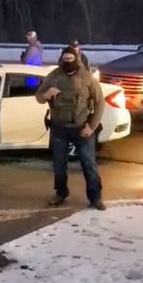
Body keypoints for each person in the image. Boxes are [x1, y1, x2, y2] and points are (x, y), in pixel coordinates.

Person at [36, 48, 105, 210]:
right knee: (59, 164)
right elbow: (38, 96)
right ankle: (61, 192)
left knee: (89, 164)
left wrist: (91, 126)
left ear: (77, 60)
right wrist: (46, 95)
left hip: (82, 128)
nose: (67, 62)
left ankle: (95, 197)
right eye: (64, 59)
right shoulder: (55, 76)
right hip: (59, 128)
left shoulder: (87, 77)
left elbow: (100, 102)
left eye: (70, 59)